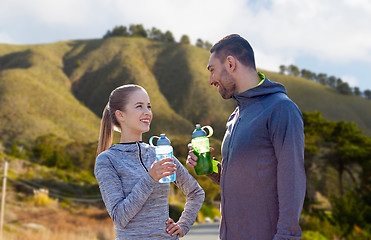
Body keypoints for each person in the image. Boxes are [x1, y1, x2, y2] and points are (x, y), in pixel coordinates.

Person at [187, 34, 306, 239]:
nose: (210, 80)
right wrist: (210, 167)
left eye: (212, 70)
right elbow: (243, 176)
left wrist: (286, 236)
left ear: (231, 63)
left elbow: (292, 180)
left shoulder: (281, 109)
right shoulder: (236, 115)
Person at [94, 84, 205, 240]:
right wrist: (150, 178)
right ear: (120, 115)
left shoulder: (160, 153)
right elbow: (120, 217)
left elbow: (196, 192)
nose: (147, 112)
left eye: (149, 106)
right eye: (139, 106)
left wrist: (183, 225)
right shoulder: (107, 160)